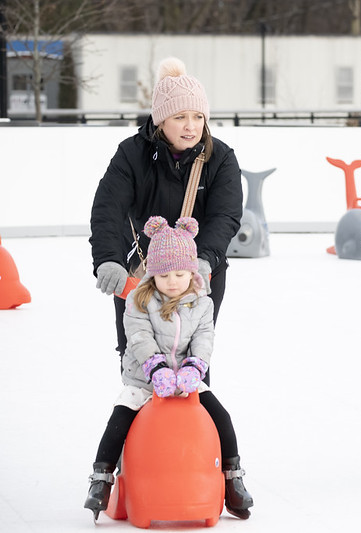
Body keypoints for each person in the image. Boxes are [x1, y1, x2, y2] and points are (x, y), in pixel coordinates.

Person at [84, 216, 254, 520]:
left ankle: (232, 479)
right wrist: (156, 368)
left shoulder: (202, 304)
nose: (173, 281)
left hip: (186, 380)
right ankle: (101, 480)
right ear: (152, 274)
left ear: (191, 271)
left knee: (222, 418)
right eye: (164, 275)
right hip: (144, 381)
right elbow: (138, 338)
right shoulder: (139, 301)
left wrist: (194, 368)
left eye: (180, 273)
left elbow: (205, 338)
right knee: (119, 421)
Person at [90, 57, 243, 379]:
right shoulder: (131, 154)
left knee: (194, 356)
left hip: (198, 273)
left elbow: (225, 215)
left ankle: (196, 425)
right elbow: (108, 208)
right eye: (180, 117)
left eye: (198, 116)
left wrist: (206, 259)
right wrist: (108, 259)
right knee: (137, 355)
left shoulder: (221, 158)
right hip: (140, 273)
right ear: (161, 120)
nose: (191, 126)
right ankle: (137, 421)